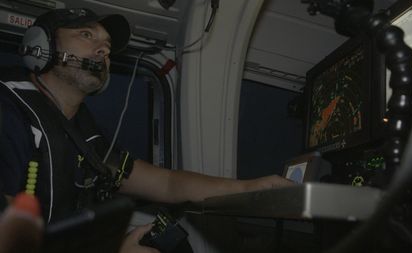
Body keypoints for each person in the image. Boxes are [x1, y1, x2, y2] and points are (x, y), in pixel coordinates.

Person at [0, 8, 293, 252]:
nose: (103, 49)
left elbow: (166, 184)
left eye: (107, 46)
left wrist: (250, 188)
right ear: (42, 45)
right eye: (86, 34)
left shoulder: (86, 137)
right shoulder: (8, 110)